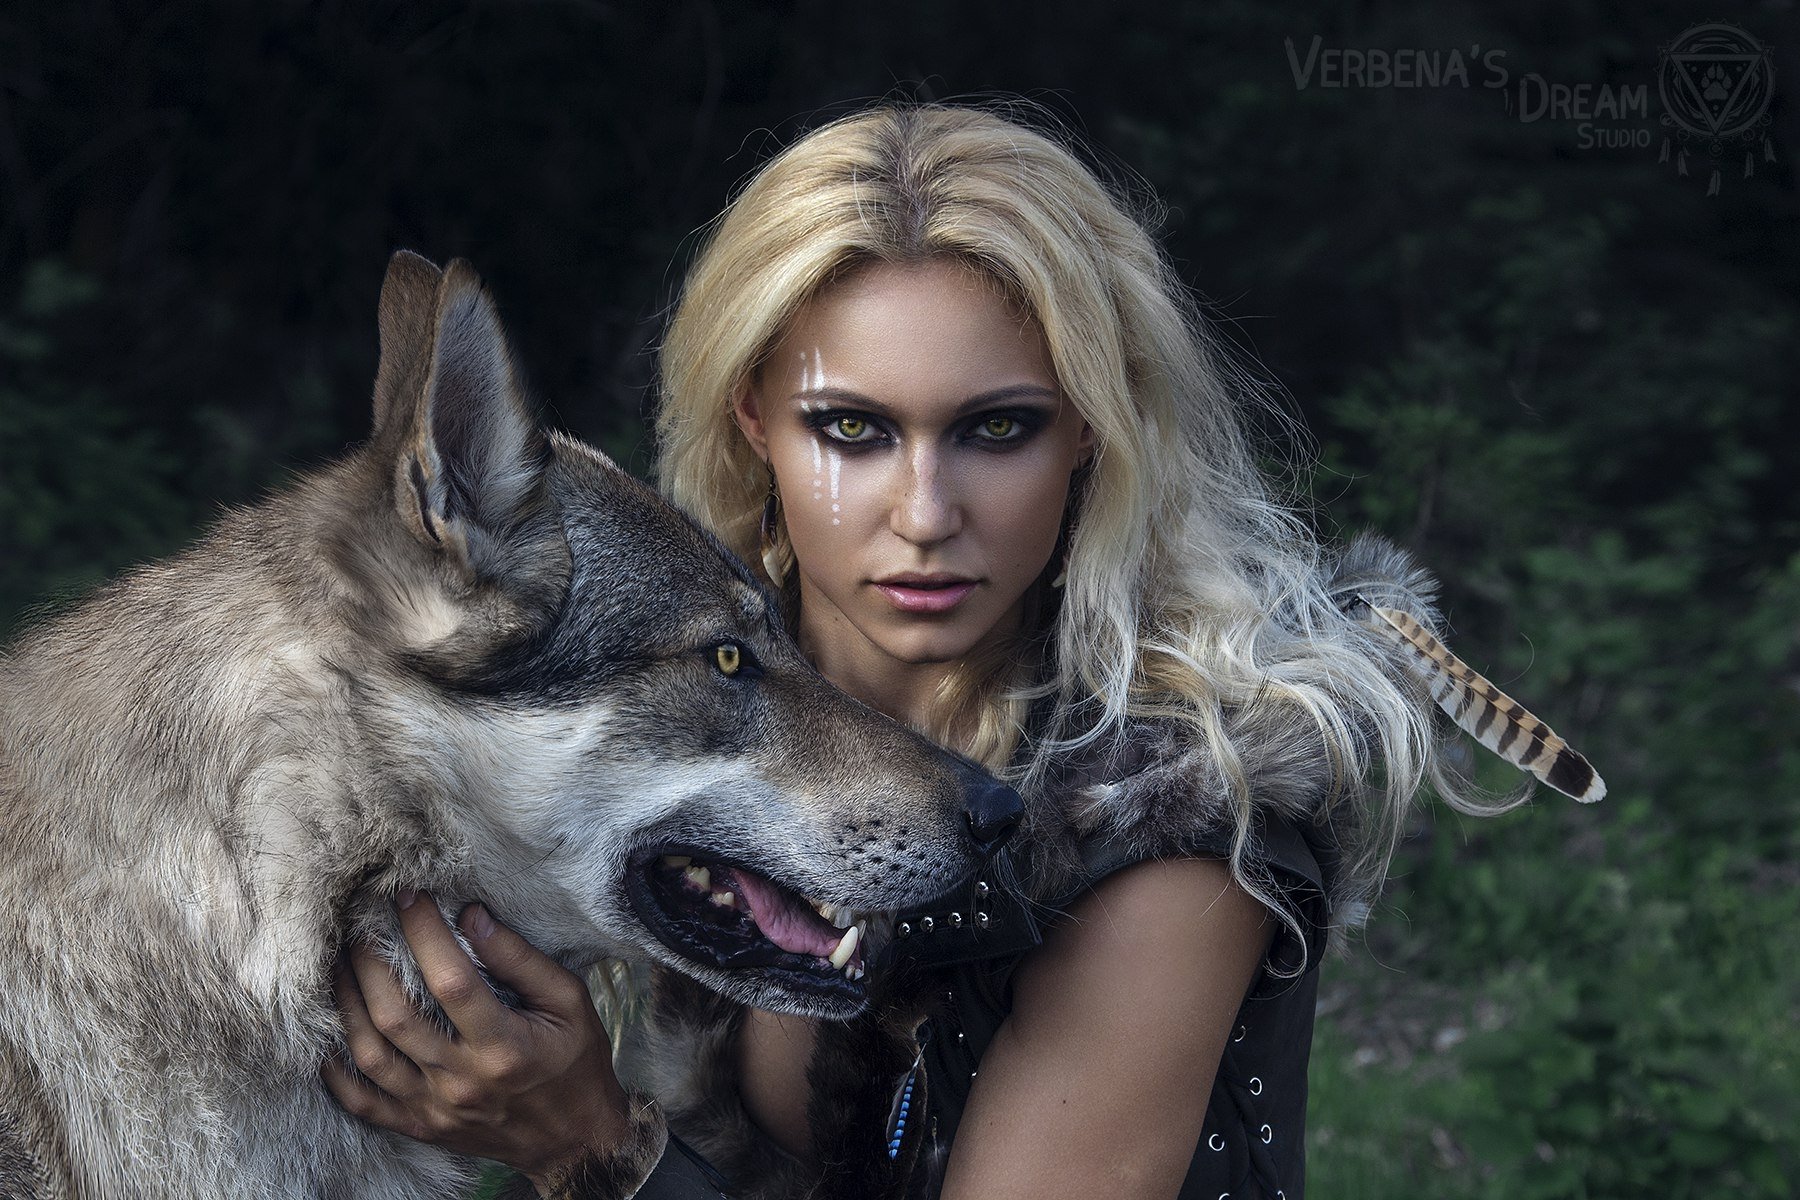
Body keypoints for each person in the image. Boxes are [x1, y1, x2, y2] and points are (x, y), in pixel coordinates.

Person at [325, 102, 1501, 1199]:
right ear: (754, 419)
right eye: (854, 429)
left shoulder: (1171, 814)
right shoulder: (685, 706)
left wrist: (586, 1142)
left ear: (1091, 430)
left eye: (998, 429)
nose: (927, 513)